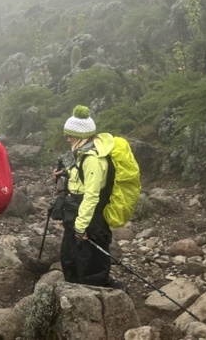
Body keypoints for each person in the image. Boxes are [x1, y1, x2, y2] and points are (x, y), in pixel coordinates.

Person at [54, 104, 121, 289]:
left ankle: (104, 300)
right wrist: (65, 174)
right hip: (76, 217)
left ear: (82, 136)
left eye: (71, 135)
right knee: (69, 260)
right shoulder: (81, 154)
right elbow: (80, 179)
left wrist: (81, 227)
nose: (68, 139)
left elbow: (91, 196)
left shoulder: (93, 159)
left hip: (90, 221)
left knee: (89, 266)